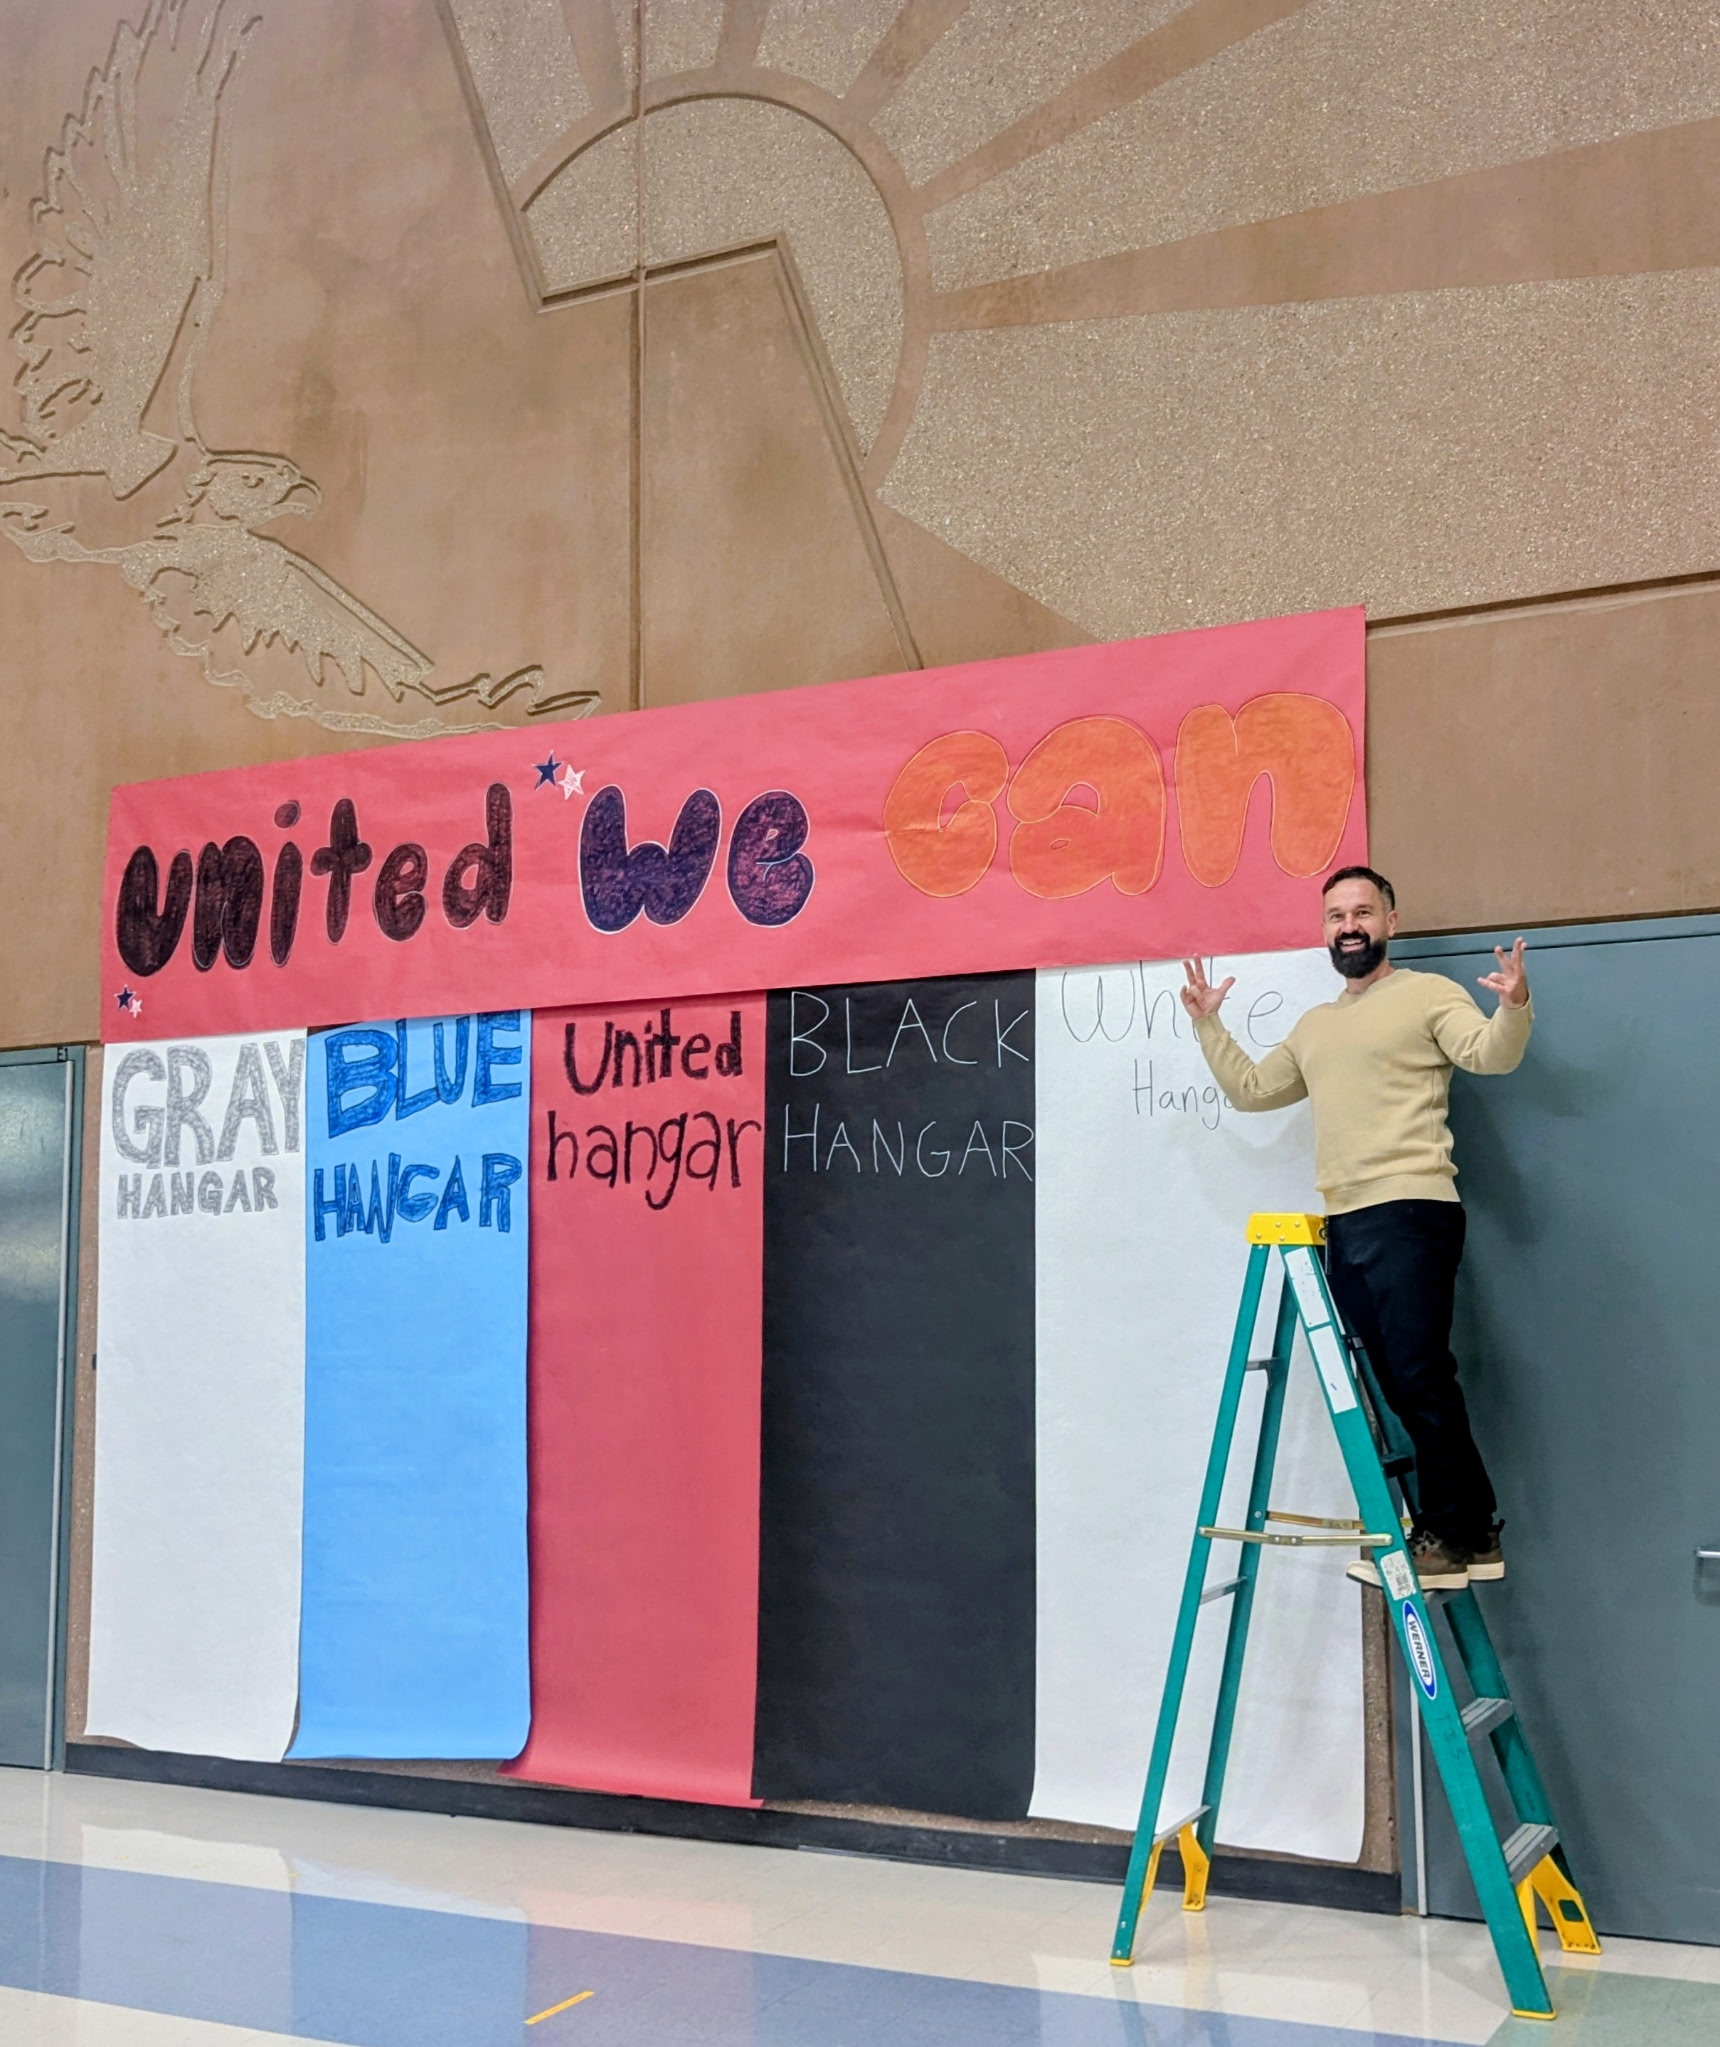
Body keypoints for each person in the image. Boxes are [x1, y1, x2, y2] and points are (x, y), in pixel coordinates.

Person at [1180, 865, 1531, 1591]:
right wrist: (1208, 1022)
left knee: (1420, 1373)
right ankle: (1473, 1529)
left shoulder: (1428, 995)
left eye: (1363, 911)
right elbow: (1251, 1091)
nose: (1349, 925)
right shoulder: (1316, 1027)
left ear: (1390, 922)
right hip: (1346, 1223)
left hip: (1413, 1209)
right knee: (1401, 1383)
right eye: (1336, 914)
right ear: (1324, 929)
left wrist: (1514, 1007)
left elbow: (1490, 1053)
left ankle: (1451, 1530)